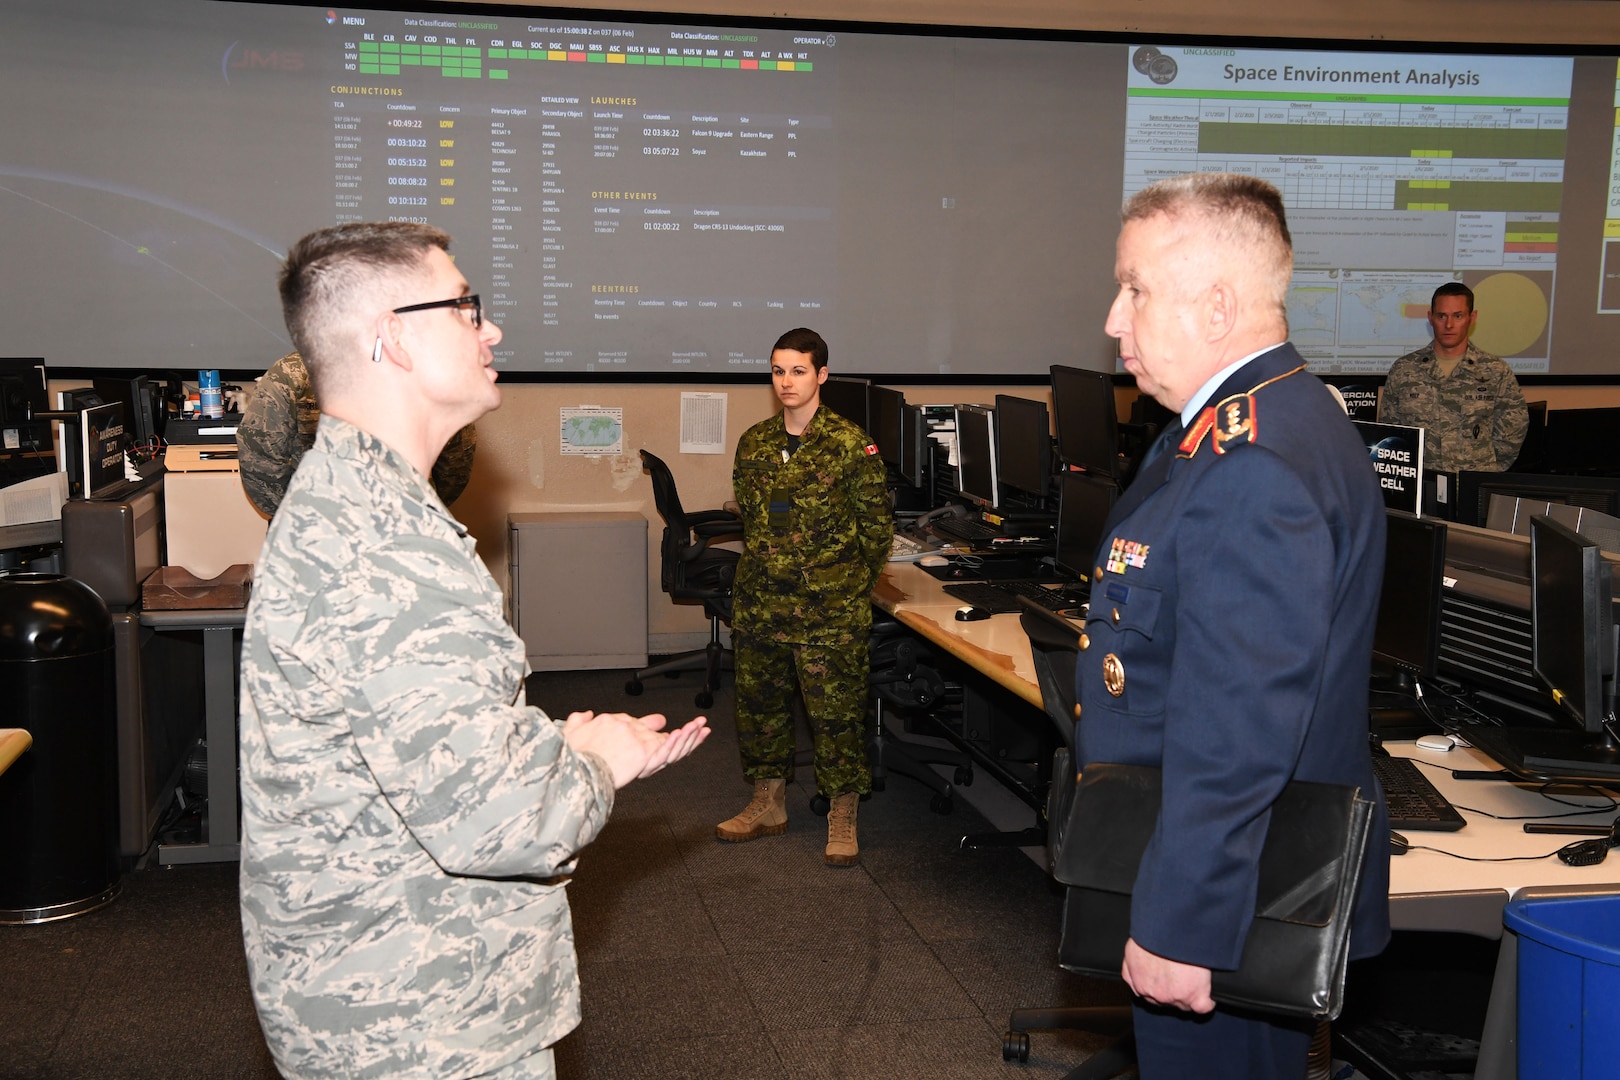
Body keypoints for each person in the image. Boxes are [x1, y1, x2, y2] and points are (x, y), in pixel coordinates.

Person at [238, 221, 709, 1080]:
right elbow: (498, 823)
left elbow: (409, 752)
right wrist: (596, 760)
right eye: (464, 307)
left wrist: (544, 746)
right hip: (421, 1020)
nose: (491, 330)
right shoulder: (389, 549)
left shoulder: (348, 498)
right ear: (395, 337)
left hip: (376, 988)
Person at [1079, 173, 1391, 1079]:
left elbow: (1239, 726)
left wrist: (1182, 925)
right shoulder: (1250, 423)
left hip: (1228, 897)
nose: (1112, 318)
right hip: (1241, 874)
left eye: (1134, 288)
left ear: (1217, 306)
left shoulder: (1253, 461)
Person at [716, 327, 892, 866]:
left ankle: (843, 813)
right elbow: (755, 518)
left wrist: (842, 592)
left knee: (835, 717)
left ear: (821, 376)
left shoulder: (849, 445)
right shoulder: (755, 442)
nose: (786, 381)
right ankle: (768, 802)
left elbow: (876, 531)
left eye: (797, 370)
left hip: (827, 611)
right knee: (761, 709)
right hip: (763, 603)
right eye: (777, 370)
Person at [237, 350, 478, 517]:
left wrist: (298, 513)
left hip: (316, 536)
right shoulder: (428, 370)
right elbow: (455, 458)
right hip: (406, 527)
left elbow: (259, 461)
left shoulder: (291, 372)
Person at [1378, 282, 1529, 472]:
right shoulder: (1404, 370)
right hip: (1423, 487)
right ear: (1430, 318)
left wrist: (1484, 468)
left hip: (1472, 486)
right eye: (1442, 316)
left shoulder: (1495, 371)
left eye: (1458, 316)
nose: (1449, 325)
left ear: (1471, 318)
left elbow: (1513, 430)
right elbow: (1390, 432)